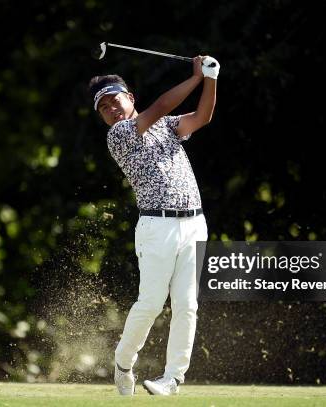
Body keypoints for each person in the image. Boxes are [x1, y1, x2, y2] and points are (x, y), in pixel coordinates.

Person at [88, 55, 219, 396]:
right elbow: (160, 105)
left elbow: (203, 117)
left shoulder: (168, 127)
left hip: (194, 224)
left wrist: (211, 78)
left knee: (187, 305)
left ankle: (173, 379)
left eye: (114, 101)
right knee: (150, 303)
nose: (111, 110)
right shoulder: (118, 136)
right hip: (156, 227)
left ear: (129, 96)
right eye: (104, 108)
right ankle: (123, 364)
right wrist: (195, 77)